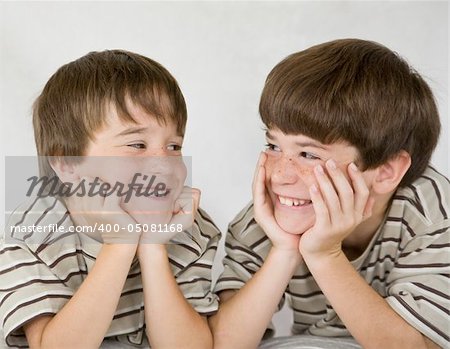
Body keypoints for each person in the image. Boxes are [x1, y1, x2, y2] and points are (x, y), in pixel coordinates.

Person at [209, 39, 449, 349]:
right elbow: (224, 345)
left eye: (308, 154)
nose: (280, 175)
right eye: (273, 146)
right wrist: (284, 251)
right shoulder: (264, 218)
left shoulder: (433, 217)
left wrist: (325, 254)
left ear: (386, 171)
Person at [0, 50, 219, 348]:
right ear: (67, 164)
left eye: (174, 145)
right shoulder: (32, 233)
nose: (163, 163)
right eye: (137, 144)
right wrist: (120, 243)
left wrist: (153, 247)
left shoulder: (190, 226)